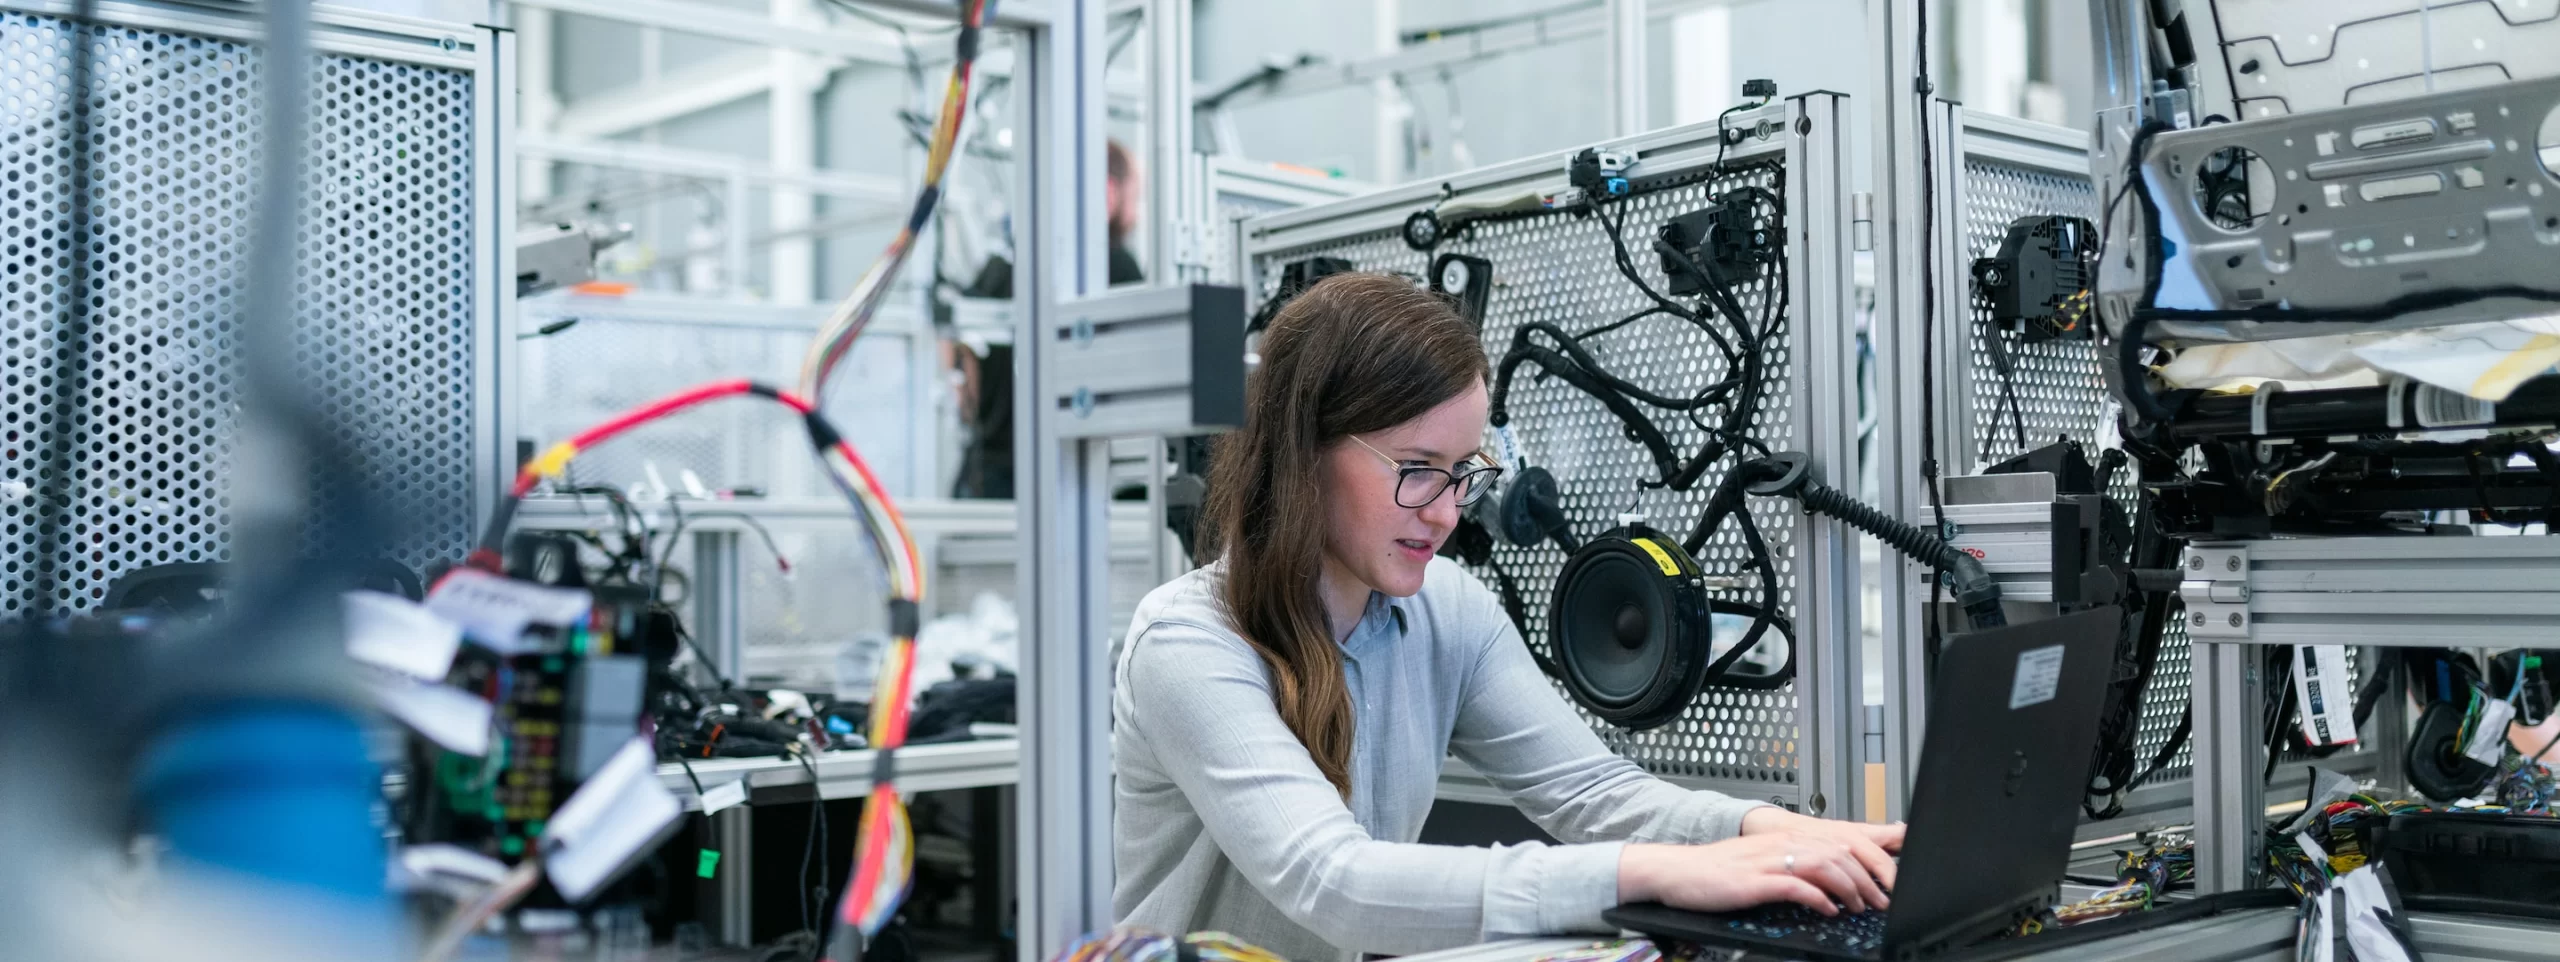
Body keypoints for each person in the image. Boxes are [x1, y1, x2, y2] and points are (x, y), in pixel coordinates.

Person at [1112, 273, 1904, 962]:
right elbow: (1334, 881)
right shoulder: (1190, 642)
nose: (1449, 513)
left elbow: (1595, 793)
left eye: (1465, 473)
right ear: (1303, 452)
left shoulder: (1447, 611)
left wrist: (1771, 832)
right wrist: (1650, 873)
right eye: (1419, 471)